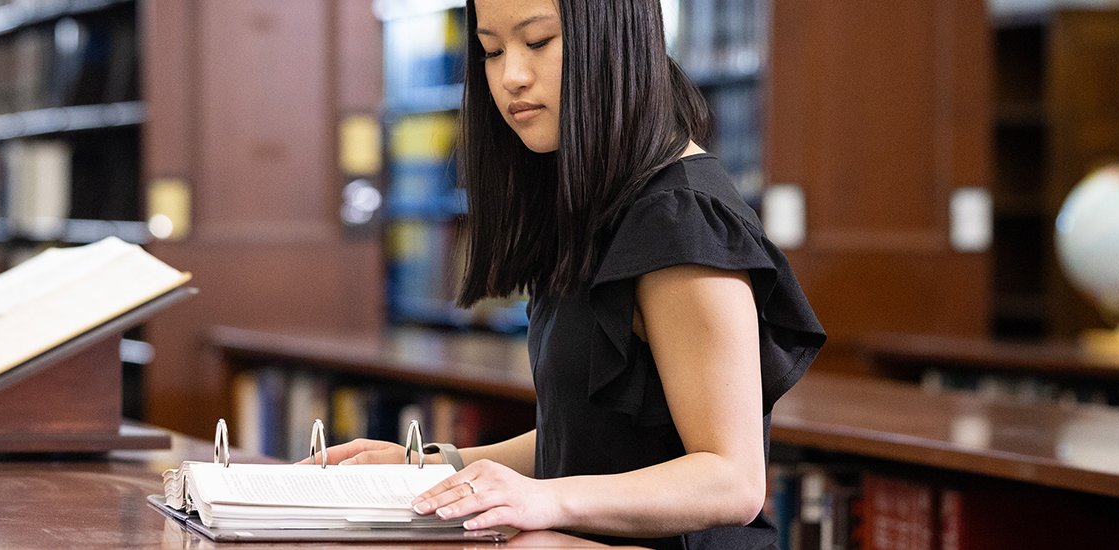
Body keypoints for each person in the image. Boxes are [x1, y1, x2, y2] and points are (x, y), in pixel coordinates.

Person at [309, 0, 826, 548]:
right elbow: (588, 441)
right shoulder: (600, 206)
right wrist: (438, 468)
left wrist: (546, 500)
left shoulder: (680, 220)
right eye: (491, 50)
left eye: (538, 43)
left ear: (613, 40)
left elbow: (730, 481)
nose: (511, 76)